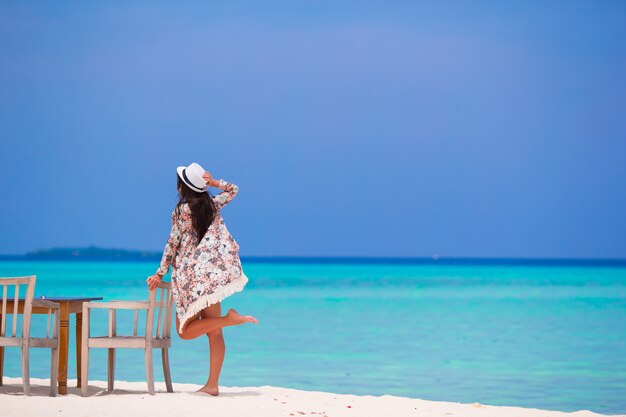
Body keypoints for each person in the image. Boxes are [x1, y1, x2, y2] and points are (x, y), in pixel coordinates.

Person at [146, 162, 257, 395]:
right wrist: (215, 182)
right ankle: (212, 385)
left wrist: (160, 272)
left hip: (190, 279)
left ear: (182, 186)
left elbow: (172, 243)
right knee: (214, 331)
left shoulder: (180, 211)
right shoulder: (212, 205)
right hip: (211, 277)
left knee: (185, 331)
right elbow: (234, 189)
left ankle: (229, 319)